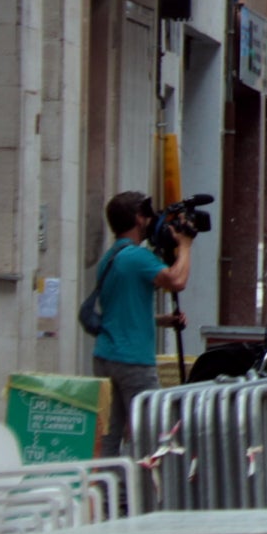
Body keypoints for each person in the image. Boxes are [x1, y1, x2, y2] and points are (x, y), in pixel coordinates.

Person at [90, 191, 191, 454]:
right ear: (138, 218)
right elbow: (176, 280)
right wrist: (186, 246)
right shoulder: (137, 257)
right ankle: (140, 490)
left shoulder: (111, 258)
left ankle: (108, 489)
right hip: (133, 360)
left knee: (112, 431)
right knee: (150, 431)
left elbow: (121, 311)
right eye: (146, 214)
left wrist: (163, 320)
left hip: (105, 356)